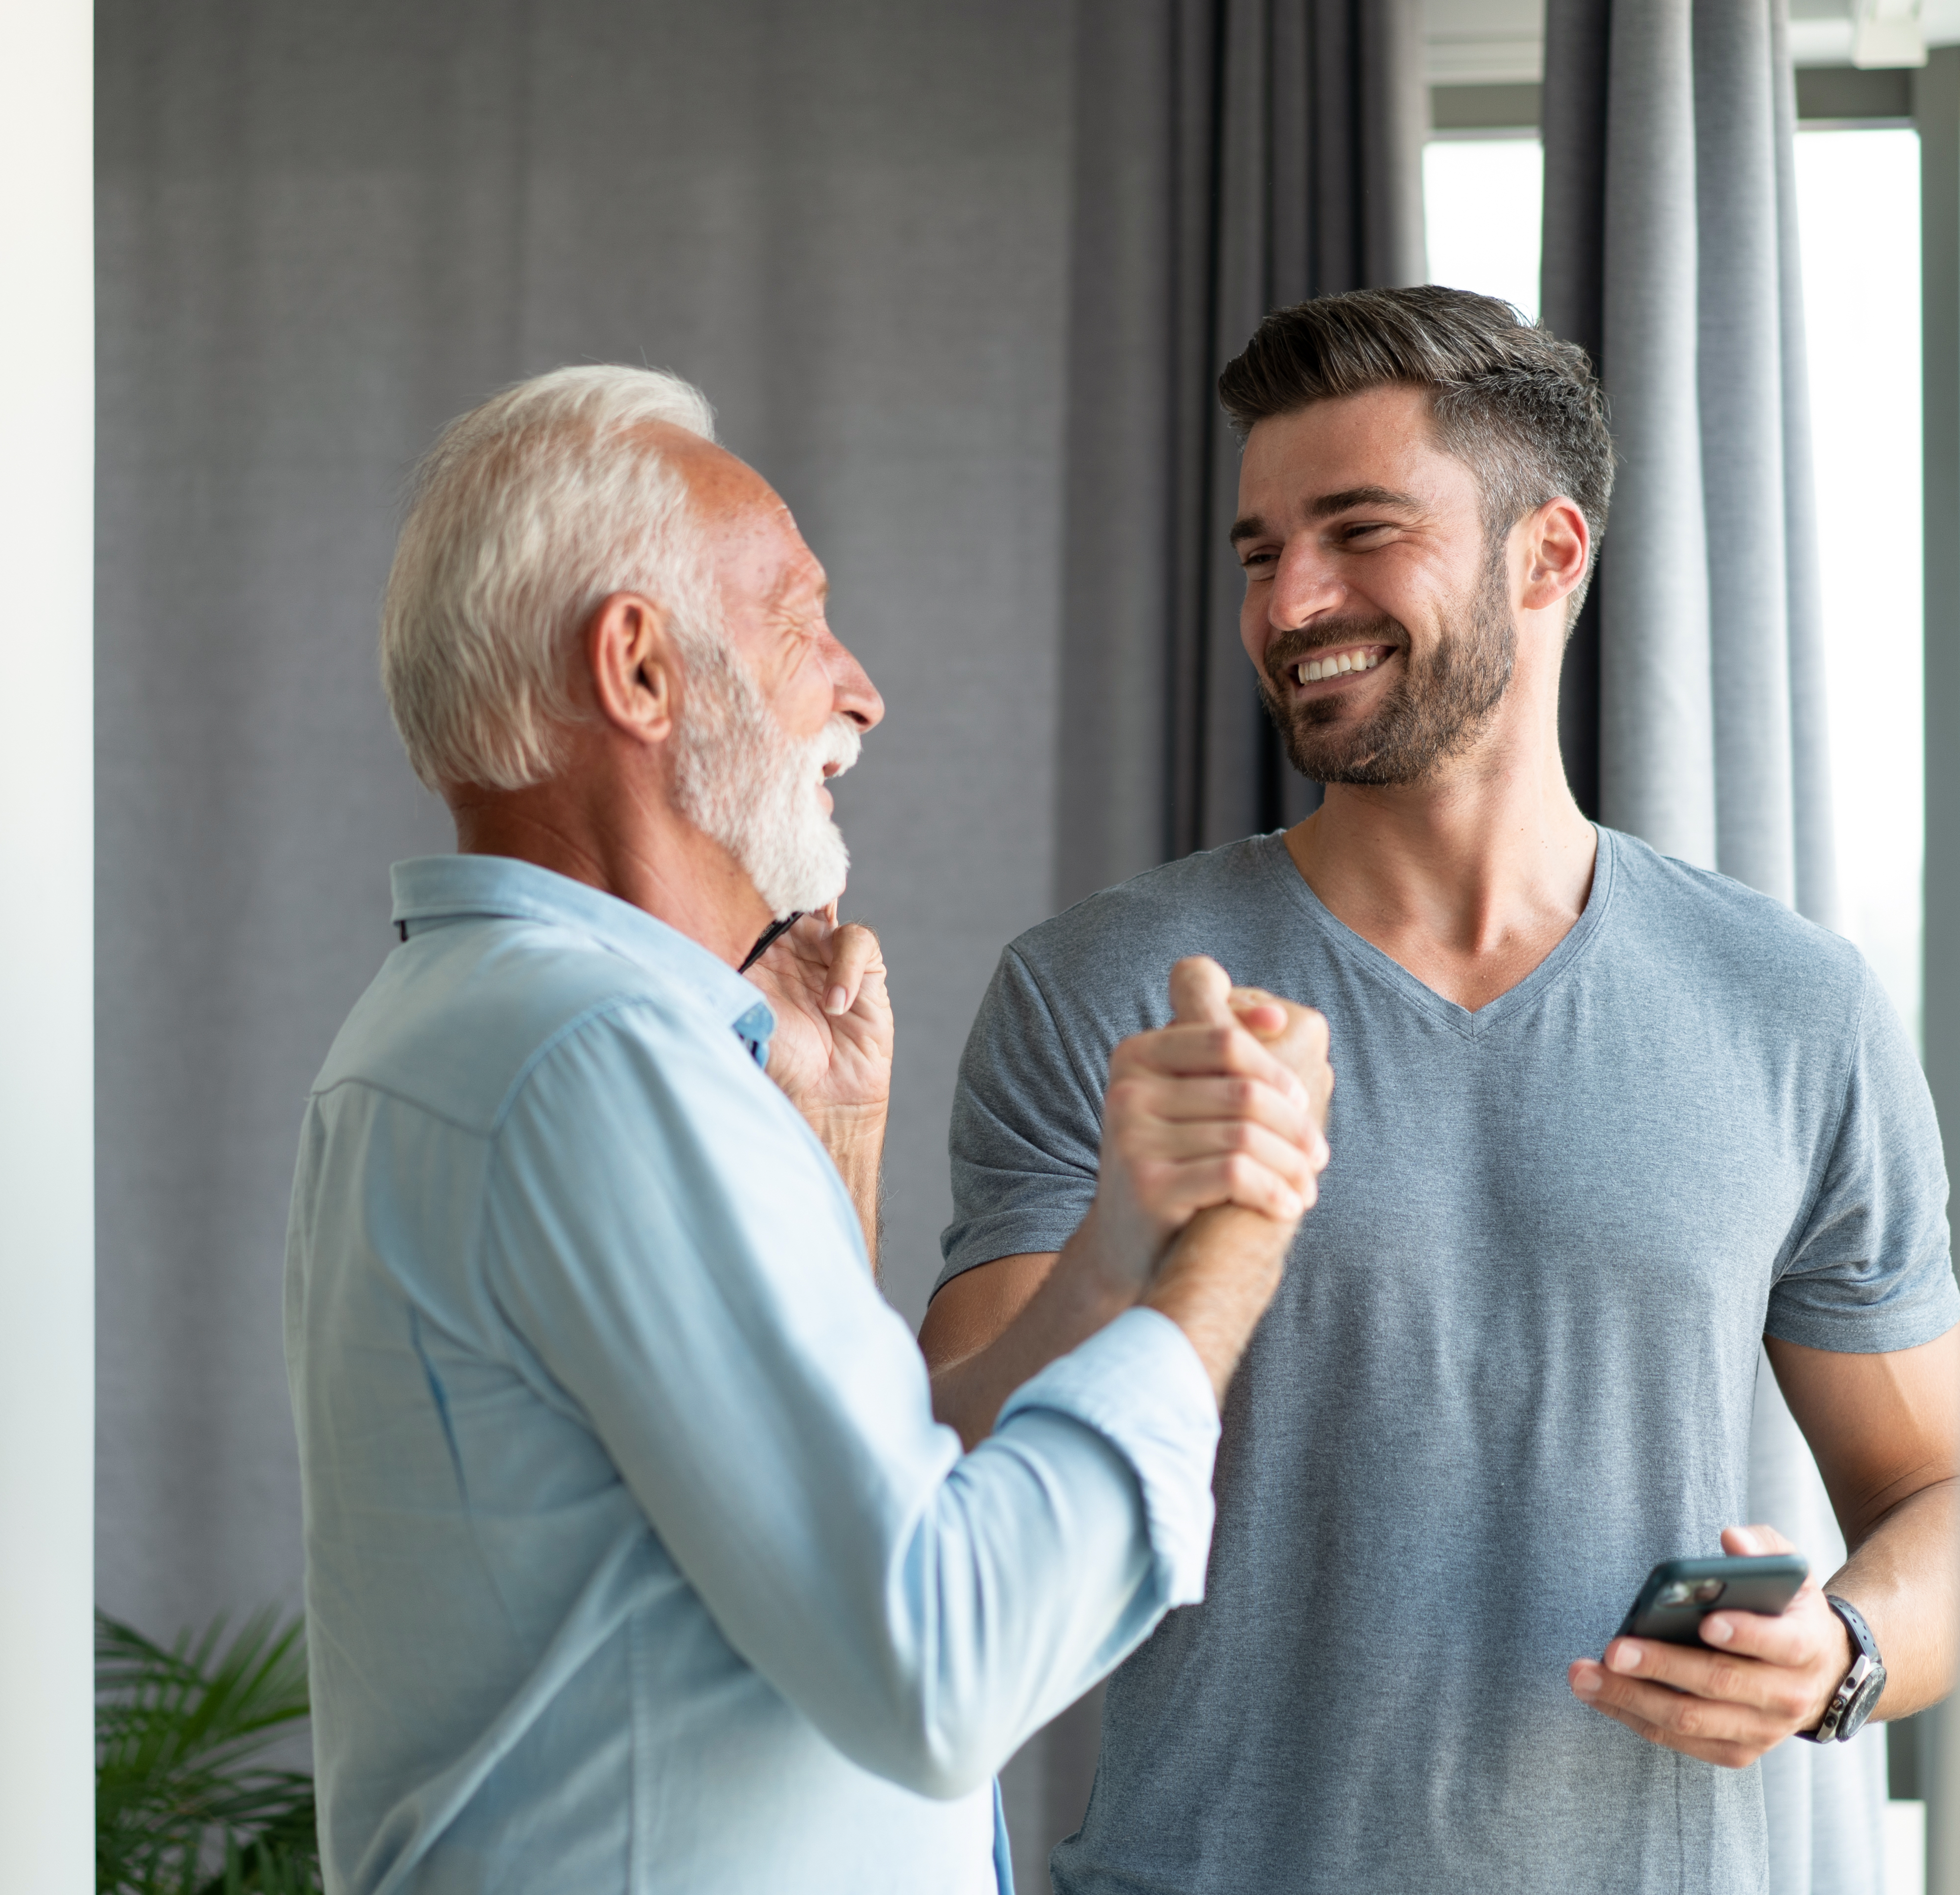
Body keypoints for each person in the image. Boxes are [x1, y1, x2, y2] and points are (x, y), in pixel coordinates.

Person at [919, 290, 1960, 1893]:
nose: (1293, 602)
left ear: (1549, 556)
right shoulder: (1103, 990)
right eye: (1262, 552)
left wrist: (1842, 1648)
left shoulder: (1793, 1005)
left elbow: (1945, 1497)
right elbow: (945, 1489)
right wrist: (1131, 1241)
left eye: (1358, 531)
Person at [284, 363, 1336, 1894]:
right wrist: (1231, 1251)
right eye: (802, 618)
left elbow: (836, 1510)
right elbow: (939, 1661)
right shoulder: (597, 1059)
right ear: (639, 672)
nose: (862, 687)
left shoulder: (487, 1028)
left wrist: (1116, 1251)